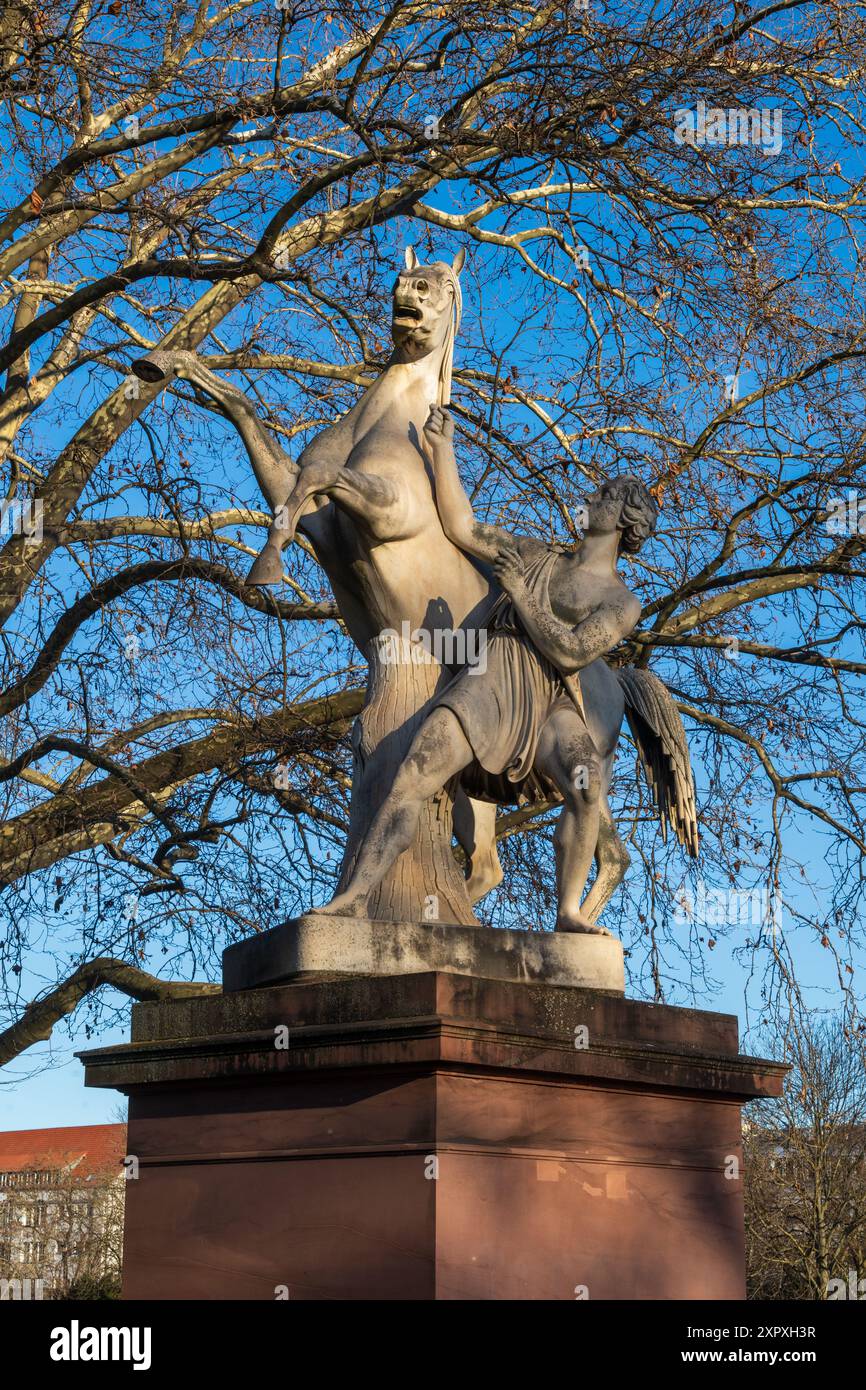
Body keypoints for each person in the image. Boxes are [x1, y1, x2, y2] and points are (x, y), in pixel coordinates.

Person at [317, 406, 658, 932]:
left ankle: (567, 913)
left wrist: (522, 595)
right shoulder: (534, 552)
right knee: (414, 771)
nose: (591, 499)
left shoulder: (621, 601)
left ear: (626, 520)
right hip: (494, 674)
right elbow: (461, 525)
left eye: (605, 496)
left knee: (589, 788)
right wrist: (442, 448)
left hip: (553, 697)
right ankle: (356, 896)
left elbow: (570, 653)